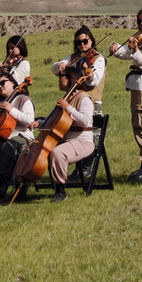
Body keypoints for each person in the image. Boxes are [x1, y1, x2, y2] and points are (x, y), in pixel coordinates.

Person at [18, 59, 99, 201]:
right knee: (28, 150)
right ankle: (21, 186)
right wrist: (40, 122)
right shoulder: (66, 97)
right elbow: (57, 121)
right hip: (64, 139)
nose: (58, 79)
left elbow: (86, 121)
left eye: (61, 76)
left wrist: (68, 108)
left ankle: (60, 190)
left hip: (82, 141)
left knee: (57, 153)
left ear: (70, 78)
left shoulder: (83, 98)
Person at [108, 9, 142, 180]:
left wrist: (135, 50)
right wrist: (116, 47)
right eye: (139, 21)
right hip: (139, 87)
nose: (141, 24)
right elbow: (126, 53)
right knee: (139, 123)